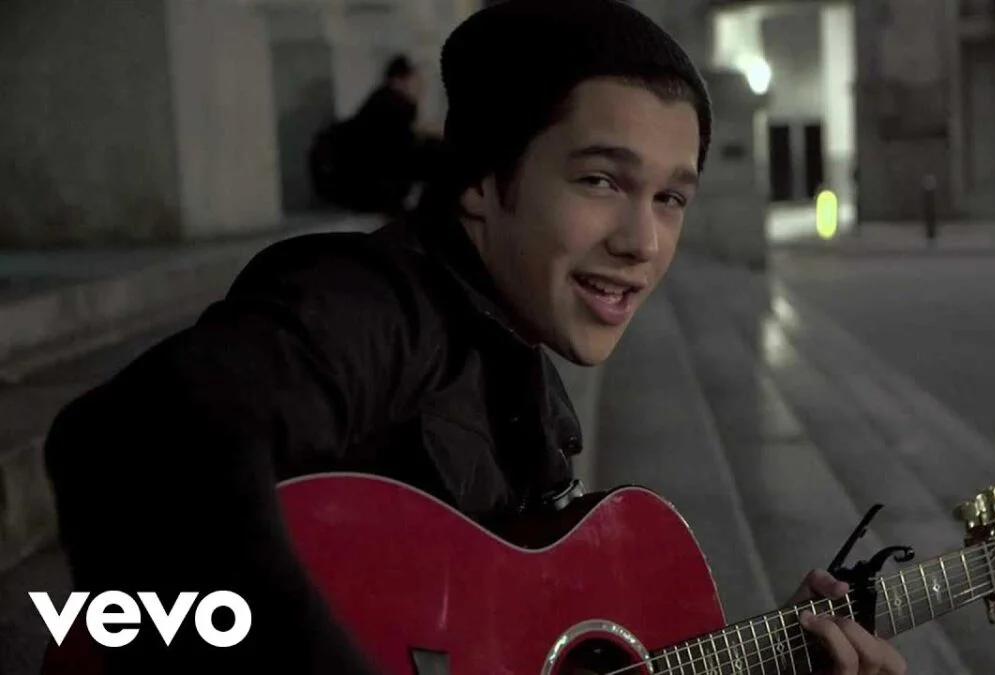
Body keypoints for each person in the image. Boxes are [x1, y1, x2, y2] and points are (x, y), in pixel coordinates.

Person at [43, 1, 907, 673]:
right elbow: (128, 439)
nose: (643, 241)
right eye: (601, 180)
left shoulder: (529, 388)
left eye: (670, 197)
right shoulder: (377, 307)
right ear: (482, 183)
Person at [309, 54, 443, 218]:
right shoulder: (392, 110)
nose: (422, 89)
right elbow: (404, 158)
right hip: (366, 192)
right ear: (399, 80)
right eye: (418, 81)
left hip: (352, 192)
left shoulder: (379, 108)